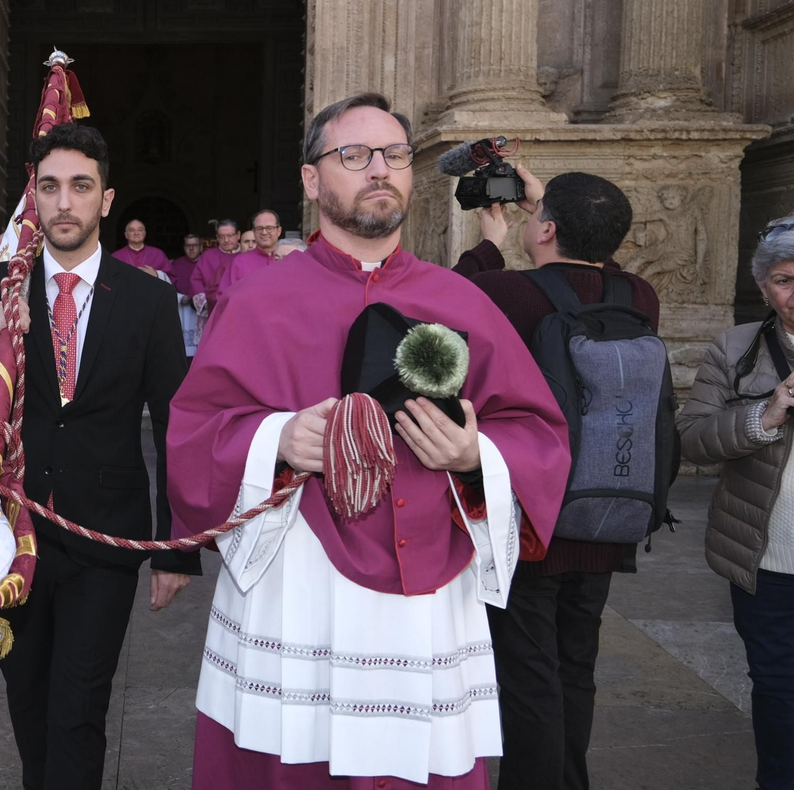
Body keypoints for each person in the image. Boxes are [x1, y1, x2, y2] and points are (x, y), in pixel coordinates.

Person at [168, 92, 571, 788]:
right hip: (297, 579)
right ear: (312, 178)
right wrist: (278, 437)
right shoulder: (258, 300)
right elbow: (195, 431)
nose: (378, 169)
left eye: (393, 155)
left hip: (427, 598)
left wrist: (475, 455)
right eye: (353, 155)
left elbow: (538, 434)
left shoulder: (461, 300)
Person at [0, 122, 201, 790]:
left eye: (81, 187)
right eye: (50, 187)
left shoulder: (148, 300)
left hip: (106, 538)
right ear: (34, 197)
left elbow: (174, 422)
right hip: (11, 538)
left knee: (79, 708)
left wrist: (177, 547)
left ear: (107, 200)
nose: (65, 203)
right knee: (29, 704)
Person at [451, 170, 659, 790]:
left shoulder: (506, 291)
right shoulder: (639, 295)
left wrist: (490, 239)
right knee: (576, 665)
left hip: (530, 519)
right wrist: (553, 209)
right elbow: (598, 270)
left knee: (527, 674)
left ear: (544, 229)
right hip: (608, 508)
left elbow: (441, 309)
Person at [678, 206, 794, 790]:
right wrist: (763, 417)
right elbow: (693, 437)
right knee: (777, 682)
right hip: (763, 553)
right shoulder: (736, 347)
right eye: (785, 280)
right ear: (764, 287)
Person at [218, 208, 282, 296]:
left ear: (279, 231)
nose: (264, 232)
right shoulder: (240, 262)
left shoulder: (289, 258)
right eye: (259, 228)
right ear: (254, 232)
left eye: (269, 228)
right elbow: (224, 297)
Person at [191, 219, 241, 312]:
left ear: (238, 235)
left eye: (230, 236)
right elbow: (196, 280)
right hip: (212, 308)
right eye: (221, 236)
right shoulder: (207, 256)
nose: (226, 240)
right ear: (217, 237)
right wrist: (205, 303)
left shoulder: (245, 254)